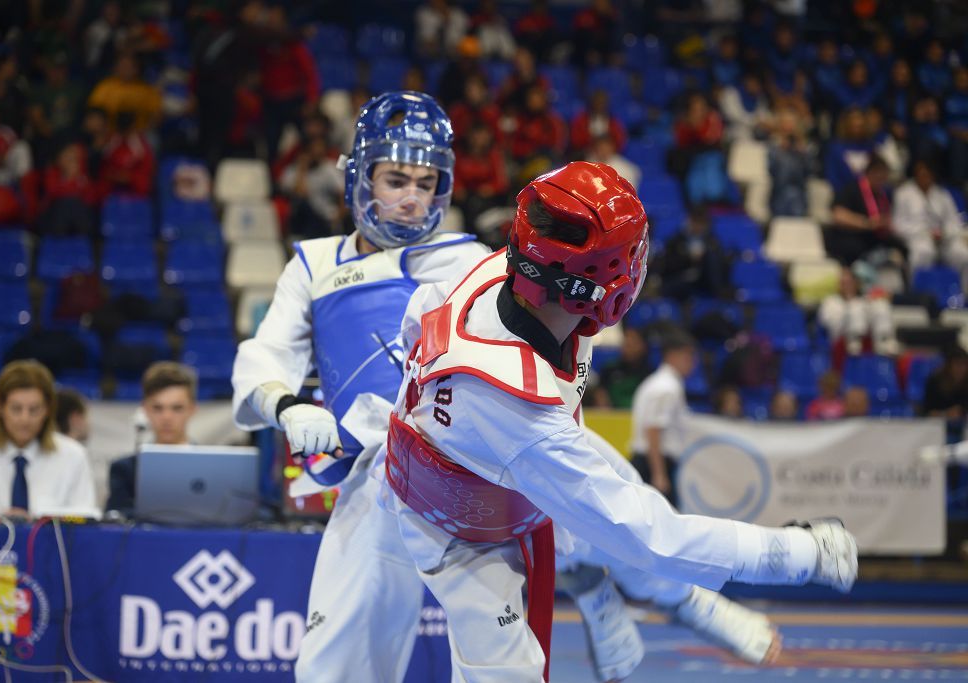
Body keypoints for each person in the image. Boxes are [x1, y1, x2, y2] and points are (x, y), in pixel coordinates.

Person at [381, 162, 857, 681]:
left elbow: (419, 315)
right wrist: (794, 553)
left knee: (617, 492)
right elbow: (650, 537)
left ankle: (674, 598)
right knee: (511, 666)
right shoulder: (522, 409)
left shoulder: (502, 271)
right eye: (628, 256)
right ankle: (604, 587)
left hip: (493, 448)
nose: (636, 266)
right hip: (460, 527)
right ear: (594, 278)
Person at [230, 91, 489, 683]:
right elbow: (266, 355)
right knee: (334, 668)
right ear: (360, 179)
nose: (411, 197)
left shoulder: (470, 260)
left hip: (470, 470)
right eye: (396, 178)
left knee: (498, 661)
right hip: (375, 478)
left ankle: (669, 597)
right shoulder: (314, 263)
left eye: (426, 183)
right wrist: (288, 406)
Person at [0, 360, 96, 517]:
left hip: (52, 543)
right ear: (0, 408)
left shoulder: (74, 456)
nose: (25, 419)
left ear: (48, 410)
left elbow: (85, 519)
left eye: (34, 410)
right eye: (16, 409)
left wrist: (35, 521)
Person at [106, 362, 198, 516]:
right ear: (145, 409)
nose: (167, 417)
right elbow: (113, 522)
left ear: (192, 410)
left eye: (177, 408)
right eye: (157, 408)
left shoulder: (216, 470)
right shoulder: (125, 471)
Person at [629, 327, 696, 506]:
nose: (692, 363)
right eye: (688, 357)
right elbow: (653, 430)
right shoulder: (665, 387)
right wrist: (659, 474)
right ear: (672, 355)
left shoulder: (662, 383)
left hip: (652, 462)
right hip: (653, 464)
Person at [892, 158, 968, 274]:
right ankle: (918, 291)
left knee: (962, 254)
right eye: (921, 174)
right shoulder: (903, 194)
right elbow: (897, 225)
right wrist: (925, 232)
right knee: (923, 252)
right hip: (918, 238)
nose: (924, 177)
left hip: (944, 239)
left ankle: (964, 290)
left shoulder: (942, 194)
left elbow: (954, 222)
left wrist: (944, 233)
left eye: (927, 174)